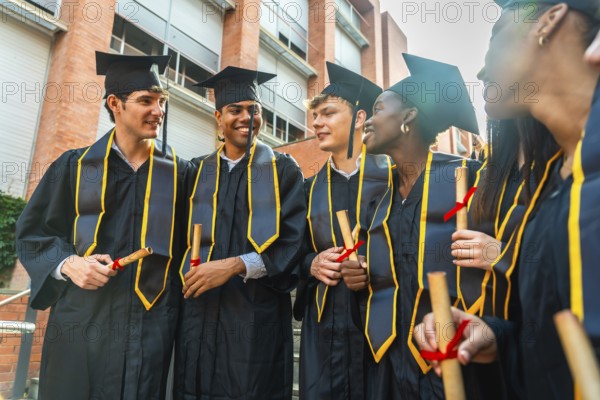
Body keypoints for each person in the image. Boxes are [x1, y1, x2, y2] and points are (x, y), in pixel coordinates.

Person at [415, 1, 600, 398]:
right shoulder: (556, 186)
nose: (481, 69)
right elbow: (558, 361)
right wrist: (497, 338)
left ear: (549, 21)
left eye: (497, 33)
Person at [15, 51, 186, 399]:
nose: (159, 111)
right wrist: (69, 264)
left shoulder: (181, 174)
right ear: (115, 104)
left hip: (151, 327)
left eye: (161, 101)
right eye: (146, 101)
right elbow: (33, 234)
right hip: (82, 322)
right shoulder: (75, 167)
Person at [339, 53, 496, 398]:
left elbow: (522, 258)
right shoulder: (378, 199)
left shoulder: (471, 180)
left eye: (379, 109)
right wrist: (360, 276)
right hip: (386, 367)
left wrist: (501, 252)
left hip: (453, 362)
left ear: (408, 116)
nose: (367, 119)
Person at [173, 66, 307, 400]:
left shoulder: (282, 170)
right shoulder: (196, 171)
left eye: (254, 109)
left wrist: (234, 265)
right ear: (219, 117)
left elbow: (294, 243)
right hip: (197, 319)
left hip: (254, 320)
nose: (247, 116)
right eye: (236, 110)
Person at [293, 62, 395, 399]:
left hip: (382, 329)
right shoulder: (308, 190)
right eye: (316, 115)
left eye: (329, 113)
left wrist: (374, 268)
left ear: (361, 118)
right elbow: (291, 253)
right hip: (325, 333)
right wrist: (311, 263)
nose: (317, 123)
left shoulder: (395, 181)